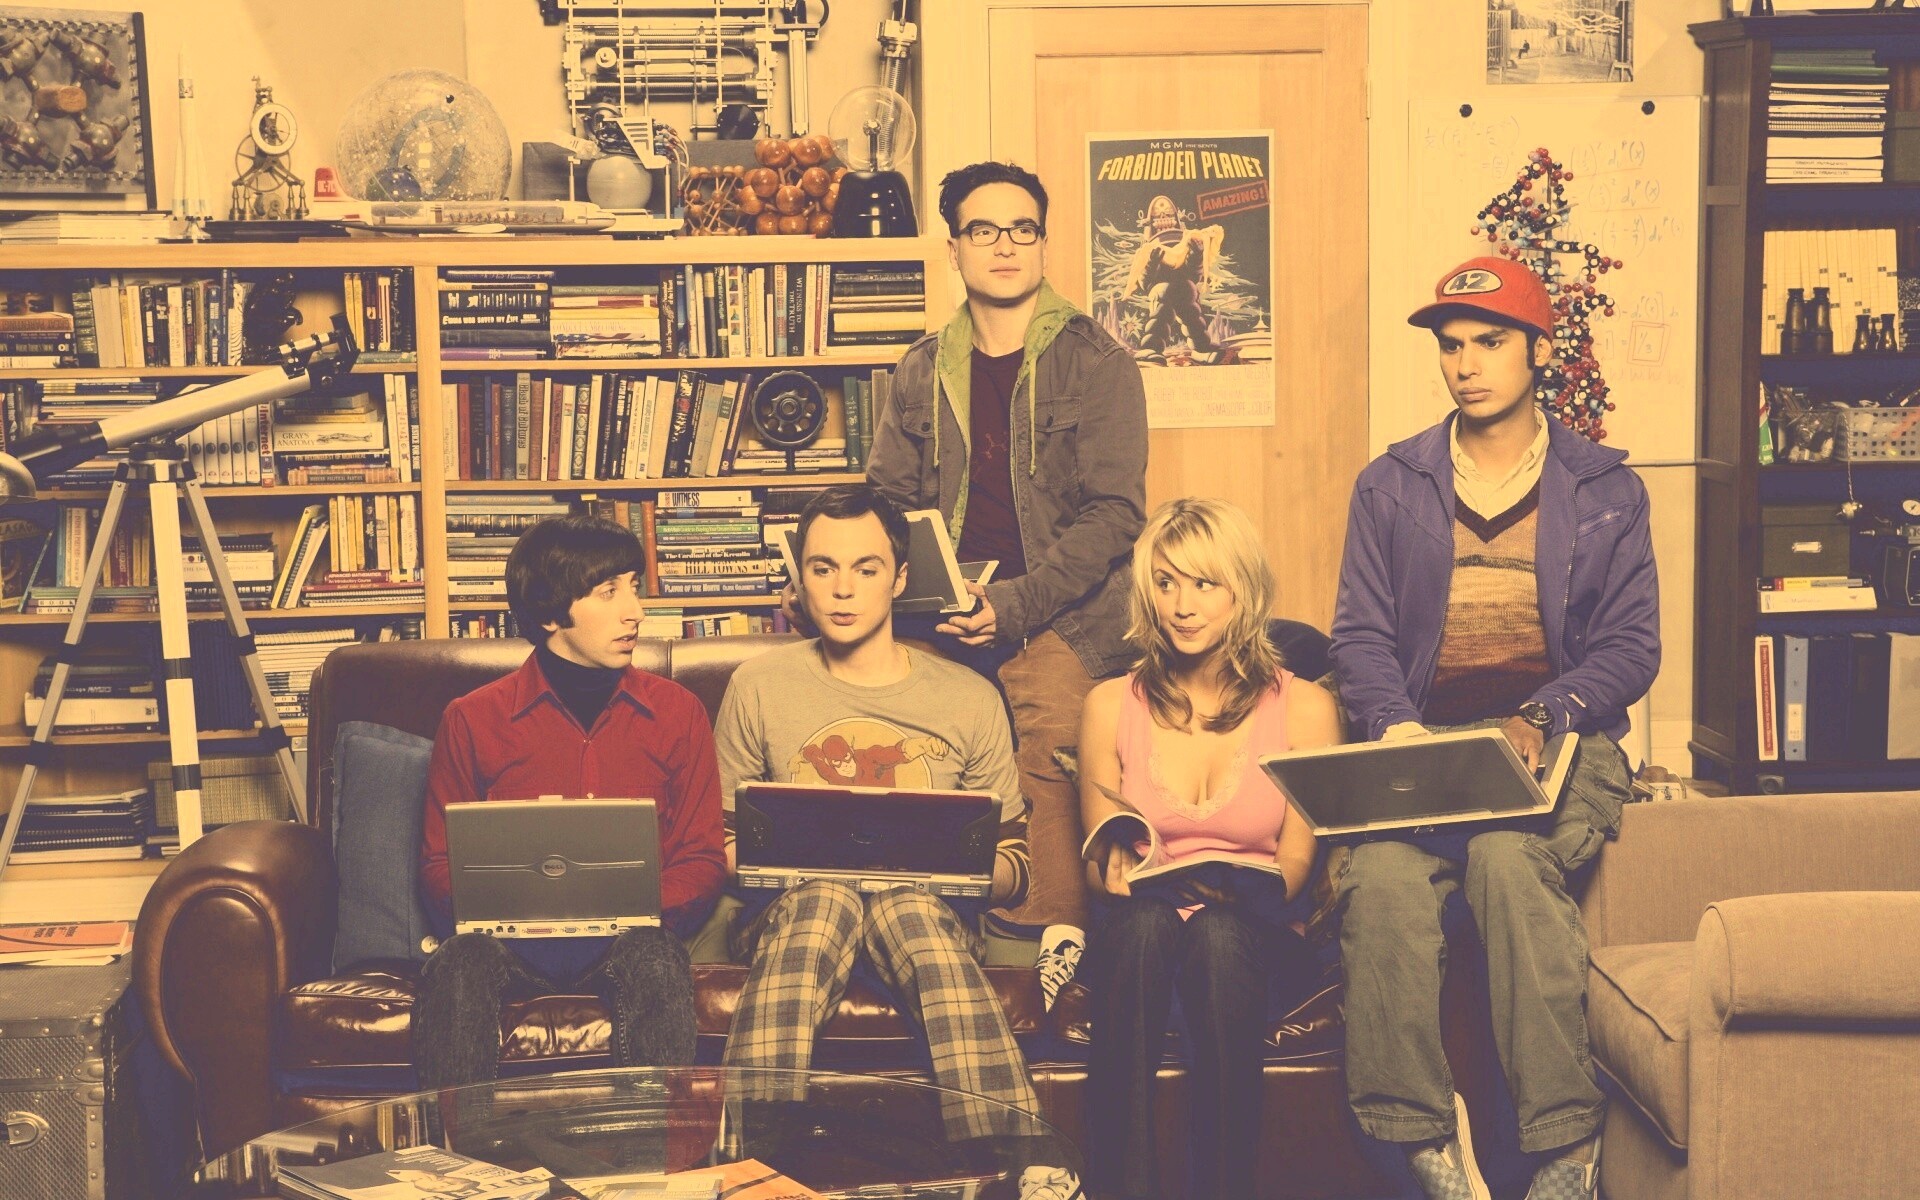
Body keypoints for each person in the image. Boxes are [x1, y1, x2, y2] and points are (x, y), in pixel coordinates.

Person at [1329, 256, 1660, 1200]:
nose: (1466, 364)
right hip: (1425, 745)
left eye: (1489, 341)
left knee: (1508, 863)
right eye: (1451, 346)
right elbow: (1359, 637)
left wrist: (1543, 714)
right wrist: (1395, 728)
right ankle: (1421, 1143)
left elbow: (1632, 647)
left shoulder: (1605, 489)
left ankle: (1566, 1147)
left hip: (1560, 740)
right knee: (1381, 882)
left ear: (1538, 350)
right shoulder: (1391, 484)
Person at [866, 160, 1149, 955]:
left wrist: (1015, 604)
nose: (1004, 245)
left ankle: (1038, 944)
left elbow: (1115, 514)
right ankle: (913, 931)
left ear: (1043, 244)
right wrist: (890, 580)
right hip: (943, 609)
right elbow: (886, 502)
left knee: (1050, 728)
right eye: (983, 229)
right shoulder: (921, 368)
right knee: (893, 732)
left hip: (1068, 612)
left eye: (1022, 229)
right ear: (954, 248)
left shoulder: (1099, 362)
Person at [715, 484, 1040, 1138]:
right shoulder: (758, 686)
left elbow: (1017, 866)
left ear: (900, 579)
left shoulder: (969, 697)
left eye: (865, 570)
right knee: (825, 900)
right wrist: (773, 863)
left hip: (927, 917)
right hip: (792, 916)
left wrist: (960, 866)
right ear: (801, 577)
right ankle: (748, 1161)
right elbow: (719, 843)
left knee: (905, 906)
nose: (842, 590)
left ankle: (1013, 1161)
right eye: (822, 568)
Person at [1075, 498, 1341, 1200]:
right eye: (1166, 583)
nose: (1182, 606)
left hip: (1253, 944)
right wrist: (1120, 872)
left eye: (1203, 584)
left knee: (1220, 934)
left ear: (1242, 591)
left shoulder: (1305, 707)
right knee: (1142, 922)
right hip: (1142, 945)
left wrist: (1241, 890)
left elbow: (1295, 868)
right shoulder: (1109, 703)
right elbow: (1102, 864)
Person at [414, 515, 727, 1088]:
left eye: (634, 587)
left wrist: (629, 907)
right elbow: (438, 866)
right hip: (508, 945)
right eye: (609, 592)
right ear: (551, 614)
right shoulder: (472, 718)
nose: (635, 611)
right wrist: (526, 907)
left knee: (656, 958)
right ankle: (457, 1142)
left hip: (630, 940)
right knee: (459, 961)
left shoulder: (678, 712)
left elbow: (702, 858)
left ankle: (650, 1145)